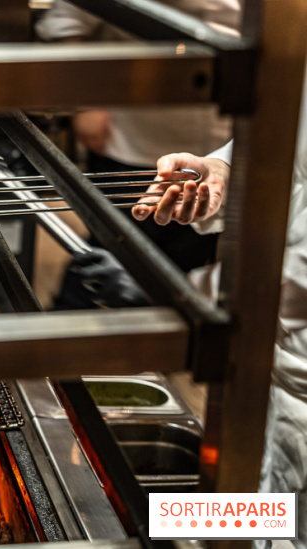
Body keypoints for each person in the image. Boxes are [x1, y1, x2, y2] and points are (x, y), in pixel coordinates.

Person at [130, 109, 307, 548]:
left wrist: (183, 298)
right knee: (267, 520)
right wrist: (227, 170)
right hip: (276, 377)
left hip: (283, 340)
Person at [36, 0, 240, 272]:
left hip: (221, 147)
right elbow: (66, 23)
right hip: (131, 137)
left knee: (185, 259)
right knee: (111, 257)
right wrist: (85, 103)